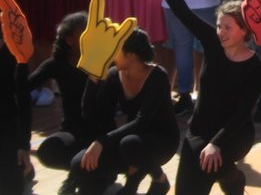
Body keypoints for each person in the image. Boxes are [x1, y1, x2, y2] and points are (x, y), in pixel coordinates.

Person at [157, 0, 261, 195]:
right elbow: (182, 11)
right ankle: (230, 177)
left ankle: (232, 179)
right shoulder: (213, 44)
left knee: (210, 160)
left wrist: (217, 143)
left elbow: (243, 113)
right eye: (219, 26)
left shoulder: (254, 65)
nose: (221, 32)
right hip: (199, 129)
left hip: (234, 133)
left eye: (228, 28)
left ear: (244, 31)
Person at [69, 29, 179, 195]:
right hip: (131, 140)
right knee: (80, 163)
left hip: (161, 141)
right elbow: (94, 115)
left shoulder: (158, 76)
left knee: (130, 144)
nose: (112, 56)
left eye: (116, 51)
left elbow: (142, 121)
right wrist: (93, 79)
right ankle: (121, 184)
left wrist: (102, 142)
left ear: (131, 56)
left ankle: (159, 180)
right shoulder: (115, 75)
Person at [32, 13, 91, 190]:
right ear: (70, 40)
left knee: (94, 186)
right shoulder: (57, 64)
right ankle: (80, 172)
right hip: (72, 130)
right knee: (48, 152)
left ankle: (85, 174)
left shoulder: (103, 64)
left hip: (99, 132)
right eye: (84, 32)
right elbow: (24, 86)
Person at [0, 40, 32, 193]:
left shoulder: (14, 51)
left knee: (13, 184)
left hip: (7, 128)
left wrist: (23, 145)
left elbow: (23, 100)